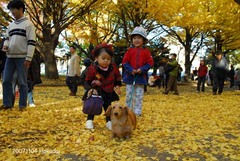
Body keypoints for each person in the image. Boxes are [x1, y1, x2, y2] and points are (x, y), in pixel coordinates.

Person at [0, 0, 36, 111]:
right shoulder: (10, 25)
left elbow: (31, 43)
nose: (12, 13)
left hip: (22, 57)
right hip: (10, 57)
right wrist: (5, 45)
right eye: (10, 10)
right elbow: (7, 39)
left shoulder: (28, 24)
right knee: (6, 80)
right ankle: (7, 104)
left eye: (13, 10)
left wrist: (28, 58)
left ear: (20, 9)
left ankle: (22, 105)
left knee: (22, 82)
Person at [82, 43, 122, 130]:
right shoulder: (92, 69)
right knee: (93, 106)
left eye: (108, 59)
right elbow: (86, 81)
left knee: (108, 106)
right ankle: (89, 120)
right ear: (96, 58)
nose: (106, 61)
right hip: (96, 92)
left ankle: (109, 121)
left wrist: (117, 85)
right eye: (103, 58)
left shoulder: (113, 68)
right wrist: (90, 88)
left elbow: (117, 78)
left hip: (108, 91)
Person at [122, 26, 154, 116]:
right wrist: (131, 70)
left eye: (139, 38)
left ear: (143, 40)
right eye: (134, 38)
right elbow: (125, 62)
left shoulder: (146, 51)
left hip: (141, 78)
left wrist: (142, 69)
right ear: (132, 39)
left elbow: (150, 63)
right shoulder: (129, 51)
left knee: (139, 96)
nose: (136, 40)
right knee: (129, 95)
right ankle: (128, 110)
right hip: (130, 77)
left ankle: (137, 112)